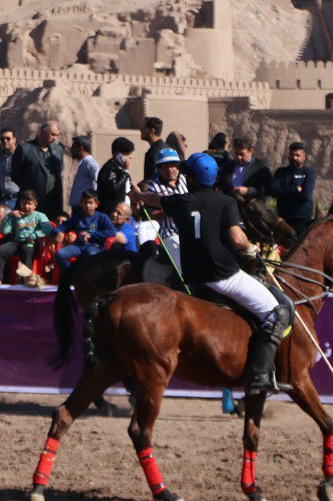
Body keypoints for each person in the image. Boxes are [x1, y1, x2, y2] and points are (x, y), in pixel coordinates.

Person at [132, 153, 295, 396]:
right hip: (224, 277)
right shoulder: (225, 202)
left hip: (193, 278)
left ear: (194, 179)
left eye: (187, 174)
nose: (185, 176)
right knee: (278, 314)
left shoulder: (181, 201)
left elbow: (156, 200)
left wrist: (138, 196)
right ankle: (260, 376)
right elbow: (236, 239)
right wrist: (250, 248)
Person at [0, 190, 53, 284]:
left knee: (26, 250)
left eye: (29, 204)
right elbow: (4, 231)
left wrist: (34, 235)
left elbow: (47, 228)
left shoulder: (40, 216)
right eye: (24, 203)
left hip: (32, 243)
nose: (26, 207)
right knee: (1, 250)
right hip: (17, 242)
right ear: (20, 203)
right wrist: (9, 216)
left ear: (35, 205)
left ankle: (28, 280)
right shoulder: (16, 216)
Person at [144, 147, 188, 272]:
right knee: (182, 267)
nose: (170, 169)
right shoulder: (153, 187)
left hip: (190, 232)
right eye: (165, 166)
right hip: (170, 234)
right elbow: (150, 214)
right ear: (159, 168)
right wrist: (171, 210)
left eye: (173, 165)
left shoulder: (186, 180)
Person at [52, 190, 115, 273]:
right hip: (79, 246)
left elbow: (112, 232)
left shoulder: (101, 217)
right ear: (81, 203)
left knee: (90, 254)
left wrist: (92, 235)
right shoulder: (77, 217)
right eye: (85, 202)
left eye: (90, 203)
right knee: (61, 254)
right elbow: (60, 227)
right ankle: (69, 276)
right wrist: (58, 232)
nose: (87, 205)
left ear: (96, 204)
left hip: (95, 247)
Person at [268, 142, 317, 236]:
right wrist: (295, 189)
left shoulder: (308, 173)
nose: (294, 158)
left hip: (302, 219)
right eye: (292, 155)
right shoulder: (281, 172)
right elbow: (272, 191)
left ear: (304, 157)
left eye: (297, 155)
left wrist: (283, 192)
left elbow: (306, 195)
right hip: (283, 219)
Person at [22, 121, 65, 218]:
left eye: (57, 135)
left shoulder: (58, 150)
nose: (55, 138)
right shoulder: (25, 149)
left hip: (53, 203)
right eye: (52, 134)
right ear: (43, 131)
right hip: (33, 202)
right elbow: (16, 175)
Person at [95, 137, 135, 216]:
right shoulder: (109, 168)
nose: (129, 158)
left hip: (124, 213)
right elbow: (115, 188)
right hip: (112, 214)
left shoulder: (121, 169)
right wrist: (125, 171)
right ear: (118, 154)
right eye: (126, 154)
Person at [67, 136, 100, 212]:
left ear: (80, 148)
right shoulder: (84, 164)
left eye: (73, 147)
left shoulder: (90, 164)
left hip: (84, 209)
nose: (71, 150)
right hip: (79, 208)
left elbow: (99, 181)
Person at [139, 117, 166, 183]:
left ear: (152, 131)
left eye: (144, 128)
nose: (141, 130)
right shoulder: (165, 148)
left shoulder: (154, 152)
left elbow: (151, 179)